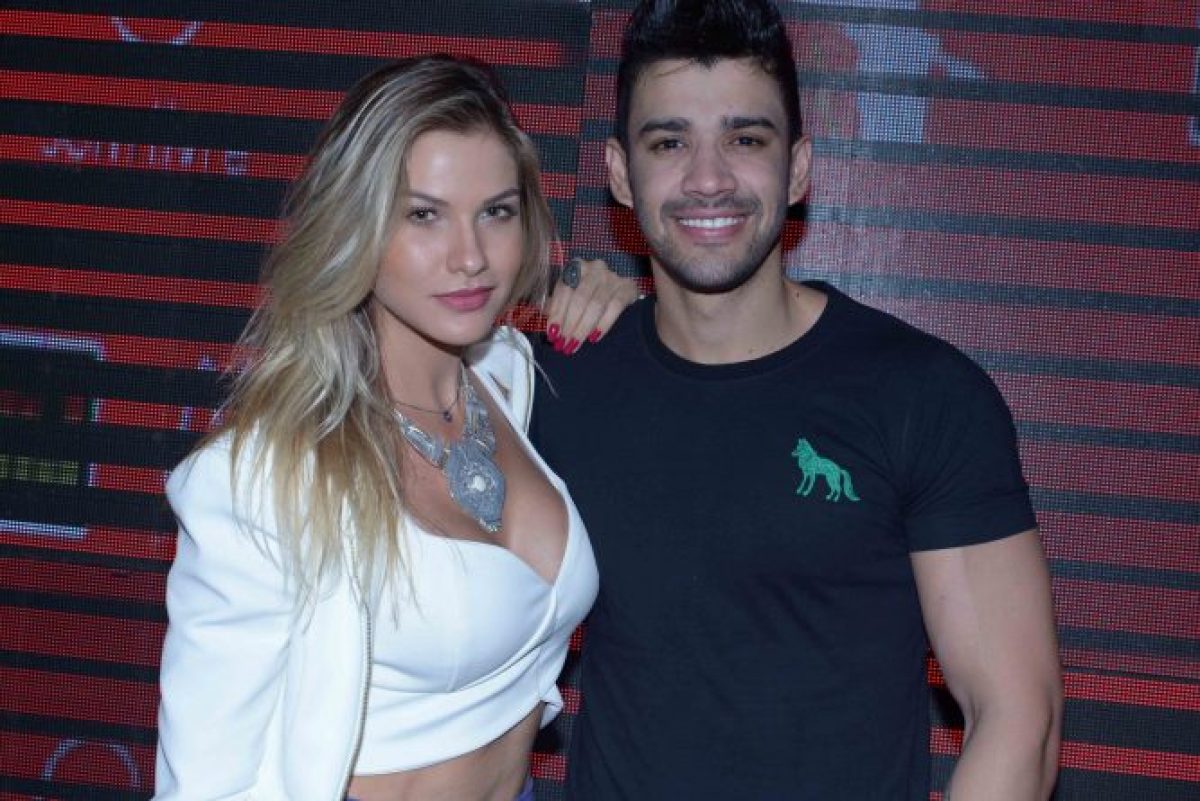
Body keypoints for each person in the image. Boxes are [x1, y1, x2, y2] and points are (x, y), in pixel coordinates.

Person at [531, 1, 1064, 798]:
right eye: (669, 142)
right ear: (617, 172)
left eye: (745, 140)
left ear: (801, 167)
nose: (708, 178)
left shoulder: (922, 394)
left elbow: (1019, 715)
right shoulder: (554, 383)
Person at [153, 55, 607, 801]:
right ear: (356, 225)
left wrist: (617, 295)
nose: (470, 256)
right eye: (423, 214)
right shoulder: (262, 477)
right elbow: (204, 782)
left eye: (496, 211)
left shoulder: (508, 376)